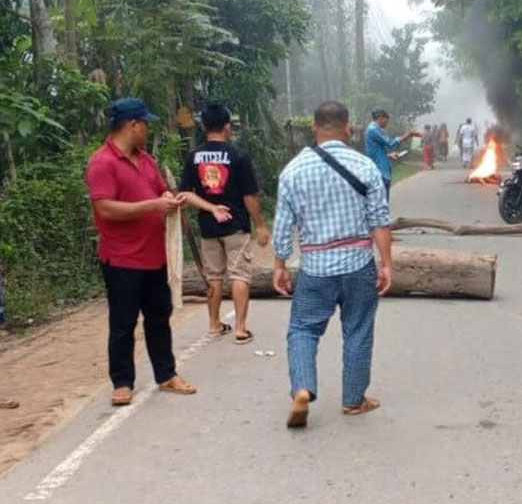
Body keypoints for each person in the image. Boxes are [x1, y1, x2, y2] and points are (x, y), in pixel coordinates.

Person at [86, 98, 223, 406]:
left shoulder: (145, 160)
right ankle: (122, 382)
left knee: (159, 317)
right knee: (123, 322)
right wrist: (152, 205)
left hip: (154, 255)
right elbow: (105, 208)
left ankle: (166, 373)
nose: (148, 129)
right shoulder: (102, 163)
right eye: (145, 124)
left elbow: (161, 189)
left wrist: (167, 198)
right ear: (133, 125)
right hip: (122, 258)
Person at [272, 101, 393, 428]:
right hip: (358, 266)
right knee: (358, 330)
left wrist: (280, 264)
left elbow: (283, 226)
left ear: (314, 127)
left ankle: (302, 389)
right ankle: (353, 400)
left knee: (302, 329)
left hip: (315, 268)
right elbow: (380, 220)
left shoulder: (293, 171)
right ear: (347, 127)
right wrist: (386, 264)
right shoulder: (365, 166)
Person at [179, 103, 269, 345]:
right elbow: (250, 195)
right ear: (227, 127)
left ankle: (214, 325)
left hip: (209, 227)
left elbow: (185, 194)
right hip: (236, 224)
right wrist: (260, 224)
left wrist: (210, 208)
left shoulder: (193, 156)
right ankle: (240, 328)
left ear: (203, 127)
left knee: (214, 276)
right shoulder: (238, 155)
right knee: (240, 274)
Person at [364, 108, 417, 198]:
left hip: (379, 169)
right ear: (380, 118)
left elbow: (376, 150)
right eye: (386, 120)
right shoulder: (374, 129)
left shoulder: (373, 128)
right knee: (382, 202)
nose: (387, 123)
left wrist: (389, 155)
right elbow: (391, 143)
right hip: (380, 171)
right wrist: (408, 134)